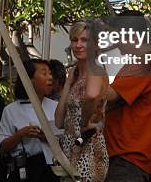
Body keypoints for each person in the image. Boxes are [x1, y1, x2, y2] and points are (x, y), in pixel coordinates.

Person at [86, 13, 151, 182]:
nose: (116, 43)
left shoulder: (146, 61)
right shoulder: (138, 61)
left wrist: (92, 60)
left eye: (117, 37)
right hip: (123, 157)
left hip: (129, 159)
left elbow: (110, 95)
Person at [56, 21, 109, 182]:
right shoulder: (76, 74)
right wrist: (67, 83)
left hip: (88, 148)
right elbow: (58, 121)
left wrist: (85, 122)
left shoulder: (95, 69)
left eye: (84, 40)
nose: (78, 44)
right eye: (74, 39)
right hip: (70, 147)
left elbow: (92, 95)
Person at [0, 59, 59, 182]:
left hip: (52, 170)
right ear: (29, 79)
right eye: (44, 73)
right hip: (24, 168)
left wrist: (47, 137)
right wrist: (21, 134)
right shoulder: (11, 110)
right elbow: (2, 148)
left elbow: (68, 140)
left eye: (50, 74)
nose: (50, 78)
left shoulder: (56, 107)